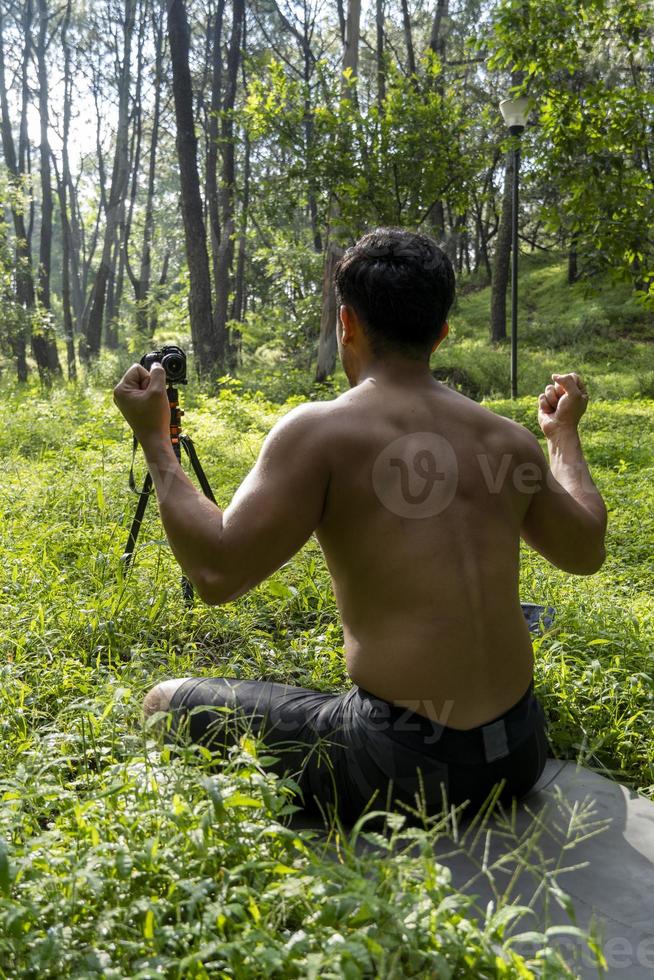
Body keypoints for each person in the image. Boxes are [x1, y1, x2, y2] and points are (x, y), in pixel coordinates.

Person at [114, 228, 607, 825]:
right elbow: (585, 550)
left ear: (345, 323)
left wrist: (157, 443)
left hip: (400, 765)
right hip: (520, 753)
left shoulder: (321, 432)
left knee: (162, 702)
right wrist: (563, 436)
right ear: (442, 332)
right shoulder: (507, 439)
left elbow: (216, 573)